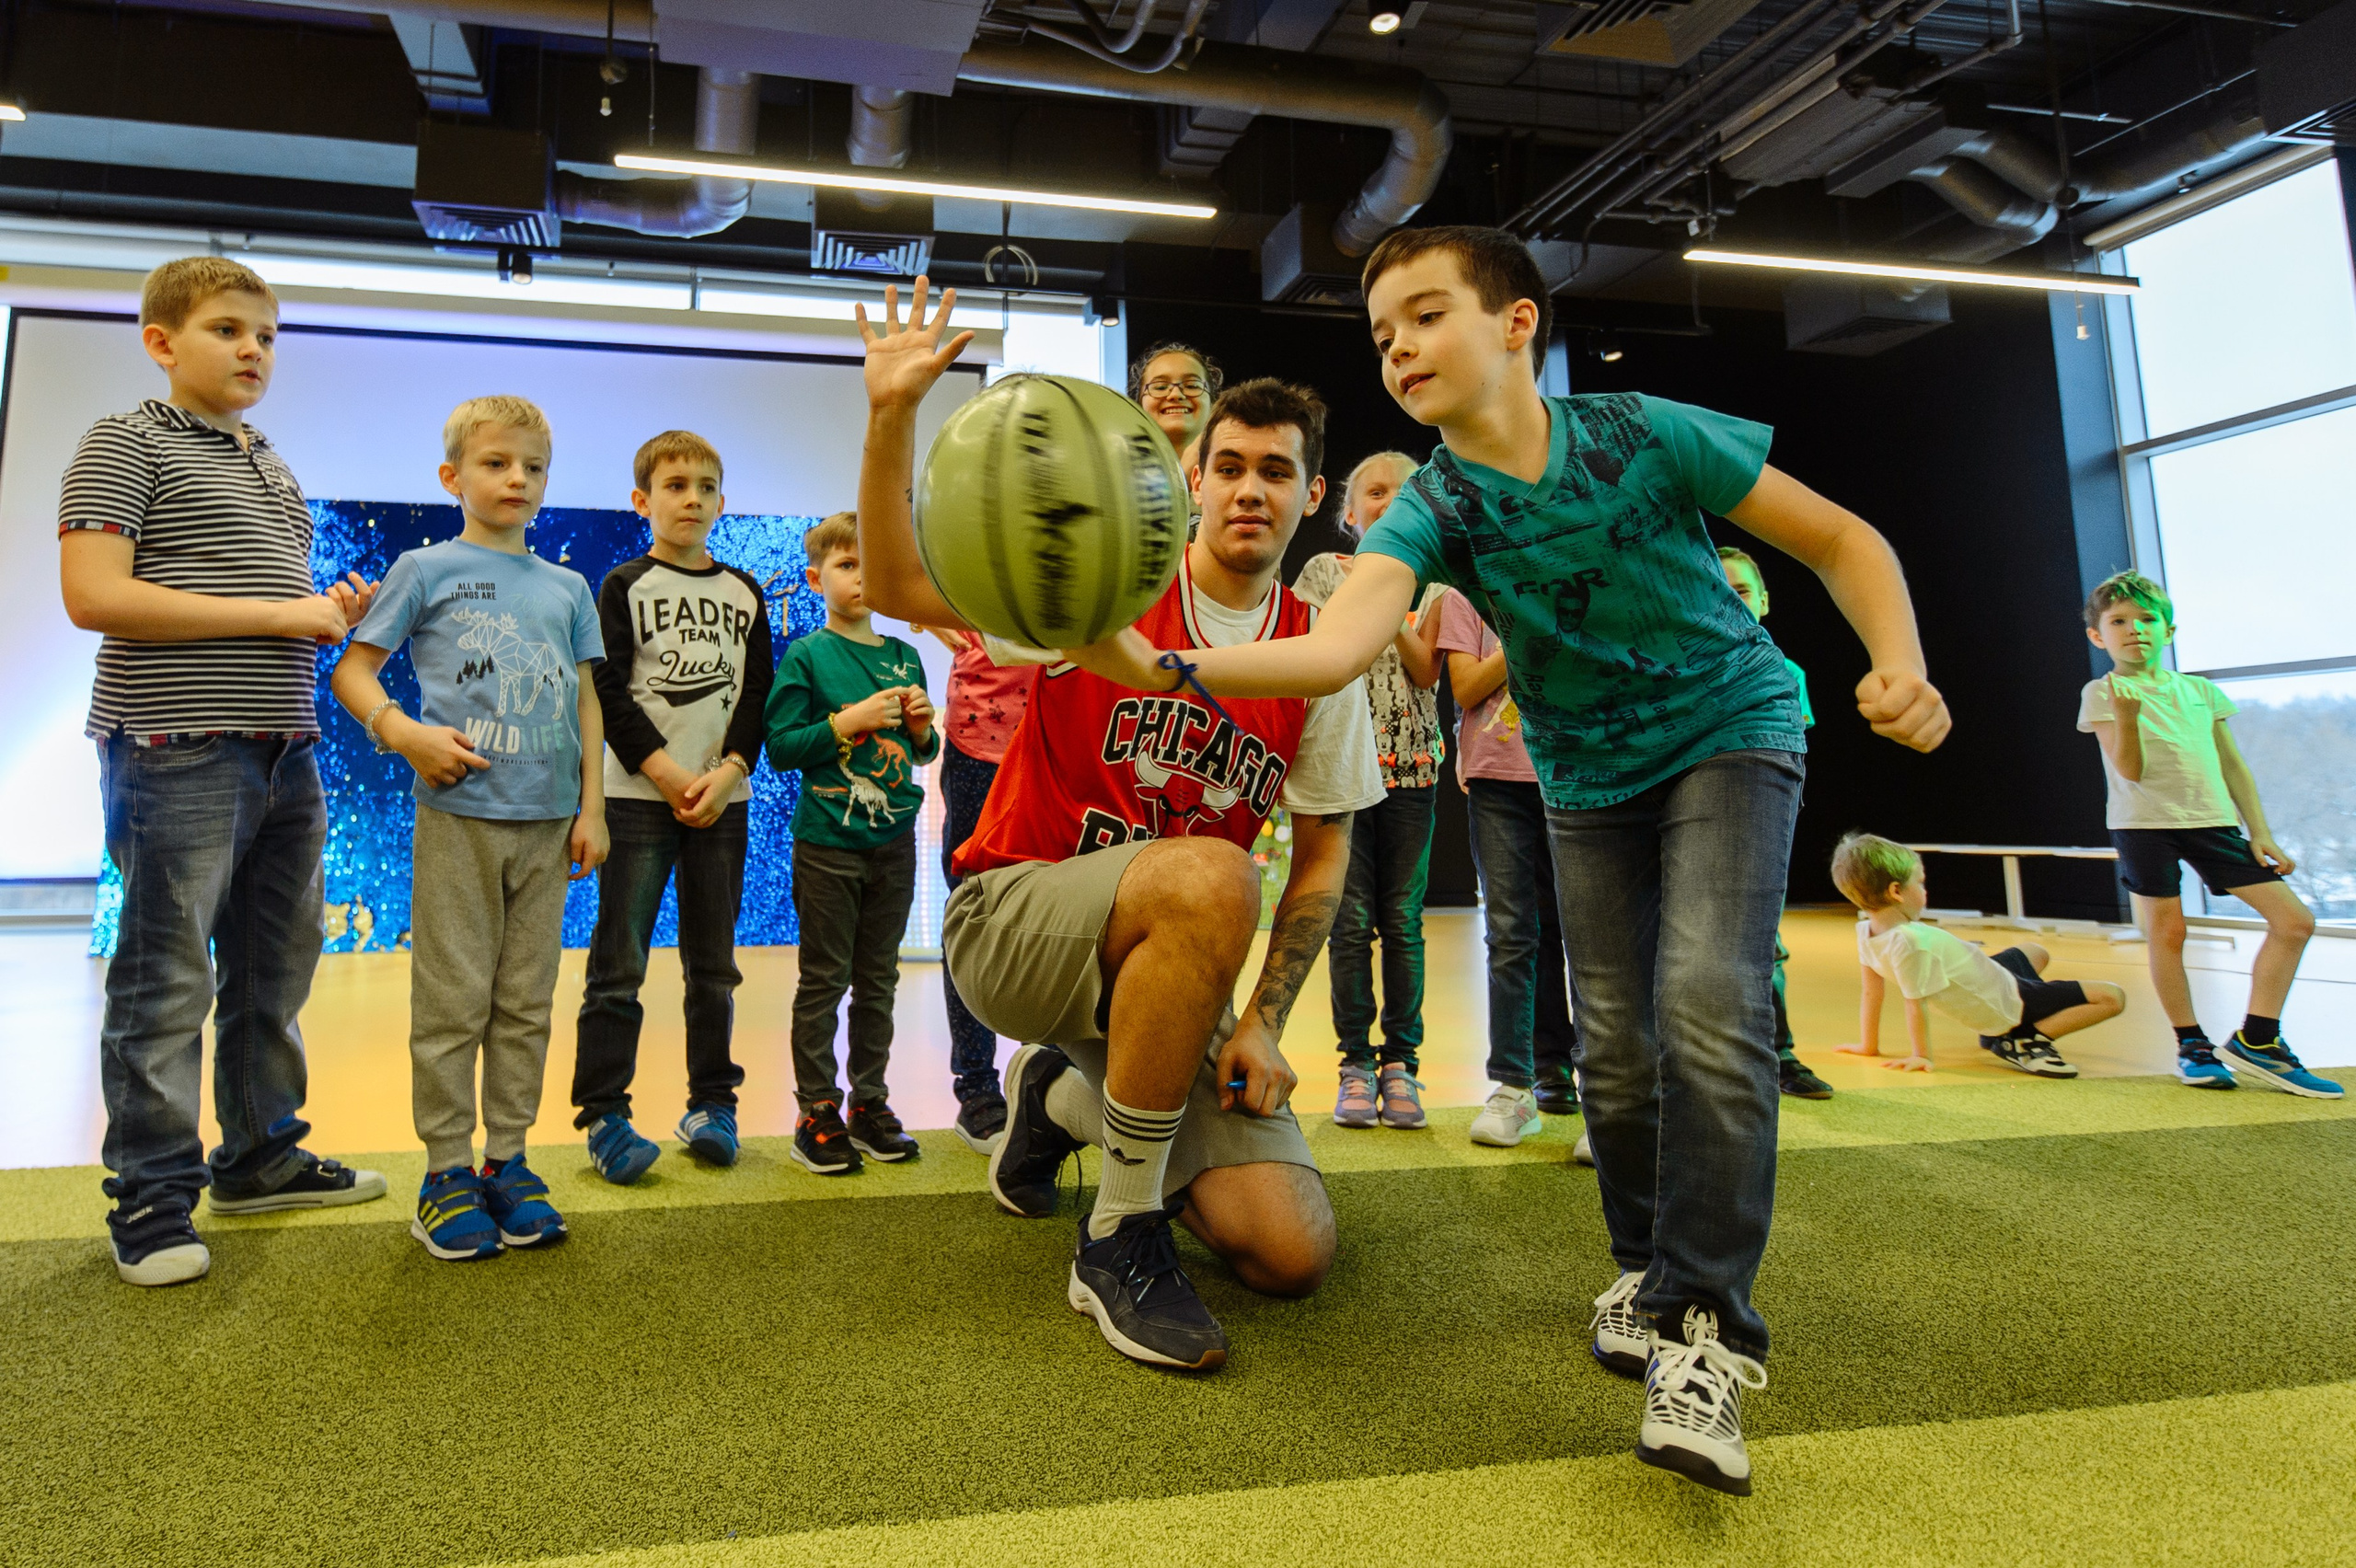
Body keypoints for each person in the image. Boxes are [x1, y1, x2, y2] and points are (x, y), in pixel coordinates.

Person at [1068, 225, 1950, 1493]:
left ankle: (1707, 1335)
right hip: (1585, 774)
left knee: (1706, 999)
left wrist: (1900, 661)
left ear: (1518, 323)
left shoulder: (1647, 431)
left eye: (1428, 316)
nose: (1403, 348)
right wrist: (1161, 666)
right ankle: (1649, 1276)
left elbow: (1845, 541)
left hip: (1731, 727)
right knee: (1616, 1049)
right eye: (1383, 335)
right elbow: (1335, 650)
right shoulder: (1434, 503)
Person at [854, 281, 1384, 1372]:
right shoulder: (1097, 597)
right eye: (1228, 467)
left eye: (1276, 471)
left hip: (1164, 968)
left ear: (1312, 494)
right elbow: (905, 580)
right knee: (1209, 876)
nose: (1249, 490)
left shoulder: (1315, 656)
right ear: (1193, 482)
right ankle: (1119, 1236)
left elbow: (1326, 856)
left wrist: (1263, 1025)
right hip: (1014, 923)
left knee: (1291, 1253)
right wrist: (890, 414)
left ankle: (1053, 1098)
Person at [59, 255, 388, 1287]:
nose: (254, 350)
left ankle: (259, 1157)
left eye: (268, 336)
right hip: (174, 747)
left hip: (284, 749)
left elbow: (261, 603)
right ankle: (153, 1202)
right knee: (165, 980)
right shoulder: (122, 442)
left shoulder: (270, 462)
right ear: (162, 342)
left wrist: (328, 610)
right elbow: (94, 596)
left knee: (273, 972)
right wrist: (277, 614)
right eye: (228, 330)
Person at [333, 395, 607, 1262]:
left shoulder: (568, 588)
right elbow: (355, 671)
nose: (517, 478)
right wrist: (402, 733)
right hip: (459, 820)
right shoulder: (425, 567)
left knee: (525, 1005)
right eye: (495, 463)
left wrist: (592, 806)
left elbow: (586, 700)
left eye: (533, 466)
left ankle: (508, 1162)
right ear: (452, 477)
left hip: (549, 825)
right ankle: (445, 1173)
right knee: (453, 1003)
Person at [572, 431, 775, 1183]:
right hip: (636, 802)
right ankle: (603, 1114)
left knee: (714, 967)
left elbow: (756, 698)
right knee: (619, 961)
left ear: (723, 501)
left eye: (707, 486)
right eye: (676, 484)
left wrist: (726, 773)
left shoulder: (744, 592)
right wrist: (663, 774)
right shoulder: (623, 585)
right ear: (643, 500)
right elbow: (608, 692)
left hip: (723, 802)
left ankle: (712, 1104)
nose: (693, 497)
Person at [2079, 571, 2340, 1098]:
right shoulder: (2101, 693)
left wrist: (2260, 832)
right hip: (2144, 828)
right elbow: (2129, 770)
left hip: (2214, 823)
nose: (2136, 630)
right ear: (2098, 636)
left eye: (2148, 619)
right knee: (2168, 935)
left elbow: (2234, 765)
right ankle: (2192, 1046)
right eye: (2120, 622)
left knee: (2294, 922)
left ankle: (2258, 1040)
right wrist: (2128, 717)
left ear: (2169, 631)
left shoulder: (2200, 691)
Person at [762, 513, 941, 1175]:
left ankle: (870, 1102)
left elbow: (922, 751)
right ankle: (816, 1110)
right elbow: (780, 748)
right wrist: (846, 721)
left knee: (879, 981)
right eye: (846, 565)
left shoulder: (906, 655)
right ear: (816, 578)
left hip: (893, 846)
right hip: (828, 847)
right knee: (823, 982)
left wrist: (922, 730)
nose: (862, 576)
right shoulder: (809, 655)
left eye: (872, 564)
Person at [1295, 451, 1448, 1132]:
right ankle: (1354, 1062)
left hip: (1413, 771)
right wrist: (1367, 592)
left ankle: (1402, 1065)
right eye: (1374, 493)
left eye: (1405, 491)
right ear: (1349, 513)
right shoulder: (1325, 572)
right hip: (1343, 771)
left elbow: (1424, 675)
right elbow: (1318, 652)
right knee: (1349, 924)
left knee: (1402, 922)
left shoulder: (1438, 587)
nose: (1389, 501)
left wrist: (1394, 598)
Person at [1435, 588, 1582, 1147]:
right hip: (1498, 779)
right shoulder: (1459, 594)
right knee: (1512, 934)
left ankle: (1609, 1095)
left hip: (1575, 768)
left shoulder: (1565, 572)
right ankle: (1514, 1087)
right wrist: (1530, 633)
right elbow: (1467, 686)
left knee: (1591, 936)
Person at [1832, 833, 2124, 1072]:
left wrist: (1868, 1045)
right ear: (1896, 891)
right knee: (2112, 997)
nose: (1925, 891)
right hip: (2009, 1000)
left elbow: (1872, 993)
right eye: (1919, 883)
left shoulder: (1866, 932)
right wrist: (1921, 1055)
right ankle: (2025, 1038)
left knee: (2036, 951)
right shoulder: (1910, 943)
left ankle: (2015, 1028)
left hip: (1992, 974)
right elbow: (1914, 1003)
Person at [913, 622, 1037, 1152]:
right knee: (969, 914)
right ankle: (978, 1087)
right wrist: (937, 616)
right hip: (977, 744)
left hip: (1056, 737)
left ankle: (1045, 1077)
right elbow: (901, 579)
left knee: (1052, 918)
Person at [1717, 546, 1834, 1101]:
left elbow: (1791, 757)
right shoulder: (1680, 670)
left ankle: (1780, 1056)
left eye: (1742, 590)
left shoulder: (1788, 674)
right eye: (1720, 588)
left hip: (1753, 829)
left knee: (1767, 947)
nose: (1732, 599)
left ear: (1764, 600)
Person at [1128, 340, 1222, 468]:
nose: (1176, 394)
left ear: (1213, 402)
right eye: (1160, 387)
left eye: (1192, 386)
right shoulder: (1116, 467)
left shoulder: (1233, 464)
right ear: (1139, 404)